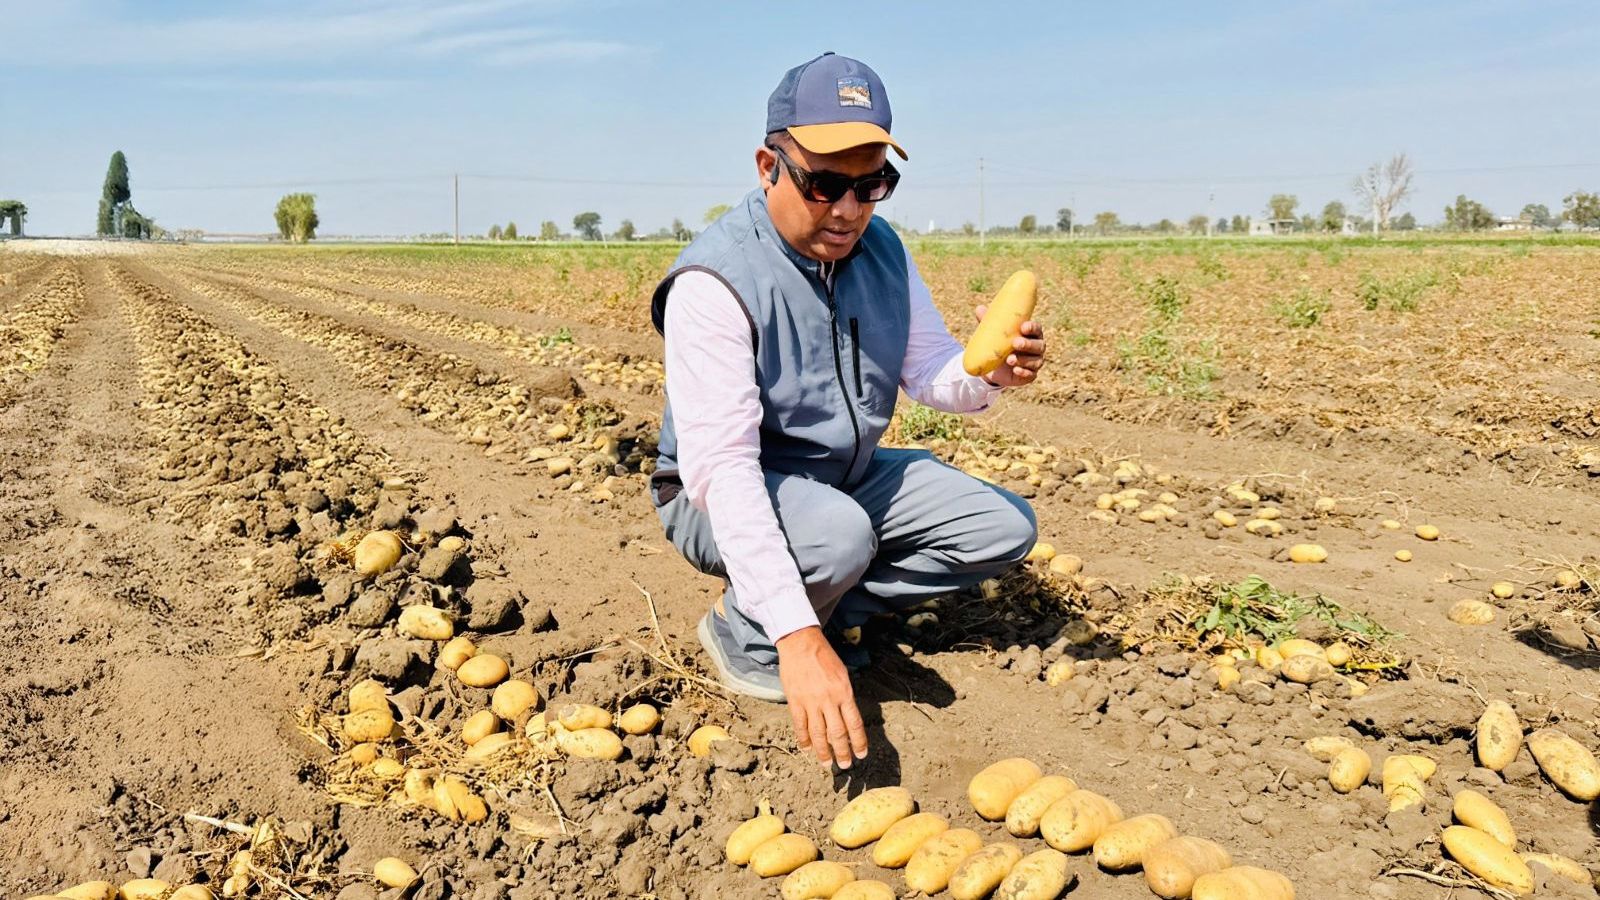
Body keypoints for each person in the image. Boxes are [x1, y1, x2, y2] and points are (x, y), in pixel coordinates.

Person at [649, 52, 1047, 771]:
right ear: (769, 164)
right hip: (721, 493)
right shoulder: (714, 283)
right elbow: (727, 475)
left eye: (873, 185)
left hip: (839, 475)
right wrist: (797, 640)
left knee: (1003, 527)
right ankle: (748, 632)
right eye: (825, 184)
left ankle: (828, 613)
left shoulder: (881, 248)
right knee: (838, 536)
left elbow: (929, 372)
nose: (849, 211)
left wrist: (992, 372)